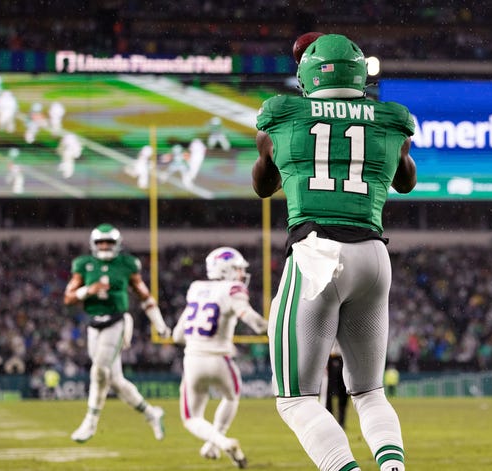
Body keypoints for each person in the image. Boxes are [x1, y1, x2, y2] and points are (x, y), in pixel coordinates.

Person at [252, 34, 417, 471]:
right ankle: (393, 467)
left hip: (317, 253)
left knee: (297, 399)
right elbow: (406, 181)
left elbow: (262, 185)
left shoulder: (281, 113)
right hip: (373, 255)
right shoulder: (392, 118)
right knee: (369, 391)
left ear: (307, 76)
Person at [64, 223, 172, 443]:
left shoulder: (126, 264)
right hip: (94, 324)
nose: (104, 246)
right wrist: (89, 290)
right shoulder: (84, 264)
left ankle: (90, 422)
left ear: (117, 244)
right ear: (93, 245)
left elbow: (144, 296)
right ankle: (152, 413)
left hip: (117, 321)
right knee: (115, 381)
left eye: (109, 242)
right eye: (101, 242)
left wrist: (159, 324)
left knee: (99, 370)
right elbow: (68, 297)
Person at [172, 247, 268, 469]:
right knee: (231, 397)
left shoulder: (196, 288)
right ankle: (219, 440)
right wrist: (268, 327)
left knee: (191, 418)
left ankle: (219, 443)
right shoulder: (232, 290)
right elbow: (252, 320)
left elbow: (178, 335)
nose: (242, 274)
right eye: (238, 269)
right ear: (226, 270)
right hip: (221, 360)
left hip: (193, 361)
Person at [324, 340, 349, 429]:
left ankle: (341, 422)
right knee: (328, 393)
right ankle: (329, 420)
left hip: (343, 358)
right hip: (330, 358)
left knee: (343, 392)